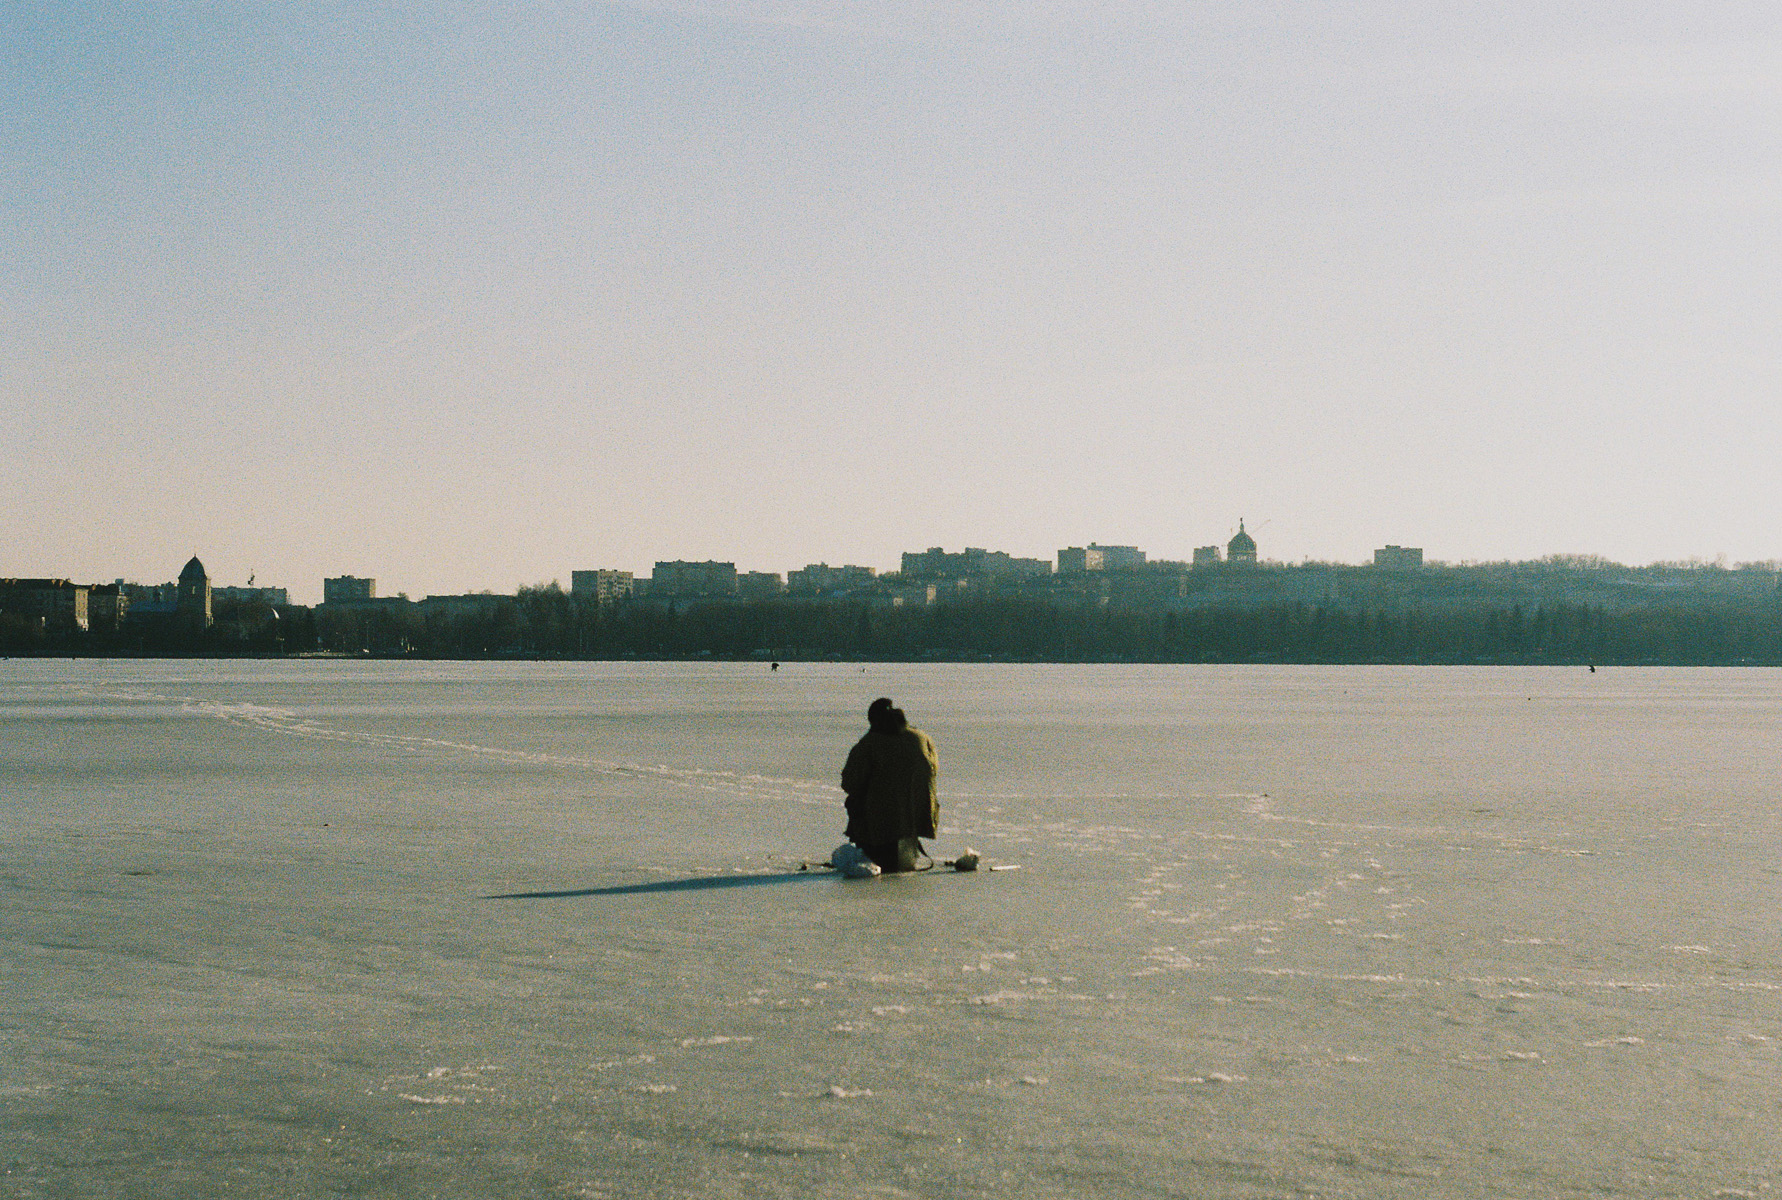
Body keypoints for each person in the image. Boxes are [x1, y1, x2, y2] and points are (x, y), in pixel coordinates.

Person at [840, 698, 939, 873]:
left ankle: (873, 852)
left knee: (854, 802)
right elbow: (933, 770)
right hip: (918, 814)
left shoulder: (869, 743)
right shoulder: (921, 737)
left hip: (882, 820)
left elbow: (850, 783)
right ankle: (907, 855)